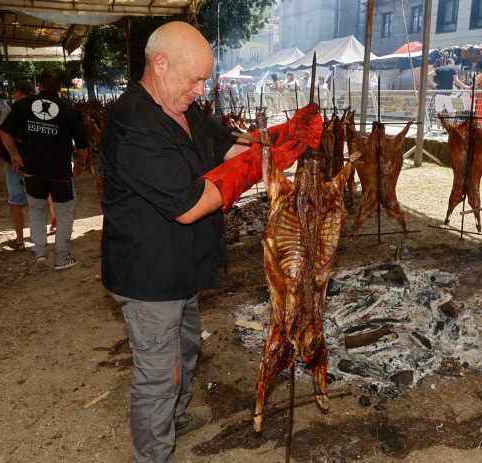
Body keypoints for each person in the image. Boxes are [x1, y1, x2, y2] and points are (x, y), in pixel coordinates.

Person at [98, 22, 321, 462]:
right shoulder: (134, 124)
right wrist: (256, 168)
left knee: (186, 352)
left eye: (205, 79)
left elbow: (228, 146)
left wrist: (278, 139)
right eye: (193, 78)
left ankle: (174, 417)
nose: (200, 90)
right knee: (158, 375)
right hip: (150, 275)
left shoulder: (182, 108)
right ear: (159, 64)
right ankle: (153, 454)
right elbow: (190, 204)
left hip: (182, 266)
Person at [0, 70, 88, 271]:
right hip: (61, 173)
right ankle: (61, 258)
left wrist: (14, 154)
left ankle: (39, 253)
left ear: (39, 85)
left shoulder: (21, 106)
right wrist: (81, 163)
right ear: (59, 88)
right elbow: (82, 144)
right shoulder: (70, 111)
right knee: (64, 214)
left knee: (37, 211)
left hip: (33, 171)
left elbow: (4, 132)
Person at [0, 80, 35, 249]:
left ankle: (20, 241)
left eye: (13, 92)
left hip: (14, 163)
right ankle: (39, 239)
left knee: (16, 202)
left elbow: (0, 133)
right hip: (38, 162)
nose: (13, 95)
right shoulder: (42, 107)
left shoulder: (11, 109)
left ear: (19, 93)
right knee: (40, 201)